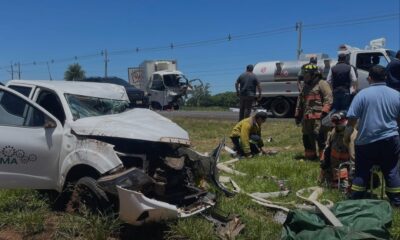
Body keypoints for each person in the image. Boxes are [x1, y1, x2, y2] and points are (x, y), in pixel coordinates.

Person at [344, 65, 400, 206]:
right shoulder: (396, 95)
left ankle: (356, 199)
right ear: (386, 77)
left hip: (366, 142)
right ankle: (396, 202)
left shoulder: (362, 95)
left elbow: (352, 119)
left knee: (362, 171)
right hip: (391, 140)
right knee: (391, 171)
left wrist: (347, 135)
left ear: (369, 78)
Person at [295, 63, 332, 160]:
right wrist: (298, 114)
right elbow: (300, 101)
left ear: (313, 75)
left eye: (306, 74)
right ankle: (310, 157)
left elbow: (329, 99)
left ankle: (323, 158)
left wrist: (324, 113)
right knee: (306, 138)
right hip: (307, 119)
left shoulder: (322, 84)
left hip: (319, 119)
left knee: (320, 138)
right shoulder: (305, 86)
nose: (304, 76)